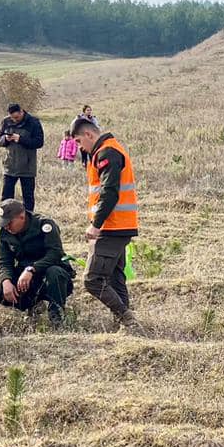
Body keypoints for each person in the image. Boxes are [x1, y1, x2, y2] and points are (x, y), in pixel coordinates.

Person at [71, 115, 140, 330]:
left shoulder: (107, 153)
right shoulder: (108, 149)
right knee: (114, 278)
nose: (80, 148)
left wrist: (96, 224)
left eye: (79, 142)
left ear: (89, 134)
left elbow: (109, 192)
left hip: (112, 225)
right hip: (119, 225)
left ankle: (127, 319)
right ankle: (125, 327)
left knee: (93, 279)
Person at [0, 198, 74, 325]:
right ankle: (33, 306)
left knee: (55, 272)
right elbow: (4, 261)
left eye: (9, 222)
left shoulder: (44, 224)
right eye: (4, 223)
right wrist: (6, 281)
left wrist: (32, 268)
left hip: (51, 274)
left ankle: (57, 316)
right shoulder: (5, 233)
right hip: (26, 279)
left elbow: (55, 253)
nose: (6, 227)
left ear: (21, 217)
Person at [0, 102, 45, 211]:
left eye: (17, 117)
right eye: (12, 118)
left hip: (27, 166)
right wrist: (5, 139)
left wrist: (20, 139)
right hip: (10, 165)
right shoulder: (5, 122)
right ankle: (5, 219)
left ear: (21, 111)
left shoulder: (33, 122)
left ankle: (28, 219)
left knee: (28, 197)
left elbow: (39, 142)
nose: (15, 120)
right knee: (6, 197)